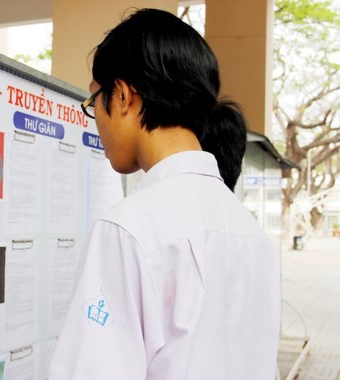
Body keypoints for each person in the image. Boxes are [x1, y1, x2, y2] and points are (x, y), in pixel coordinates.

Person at [47, 8, 280, 380]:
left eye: (94, 103)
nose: (97, 122)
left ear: (122, 96)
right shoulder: (251, 232)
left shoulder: (127, 229)